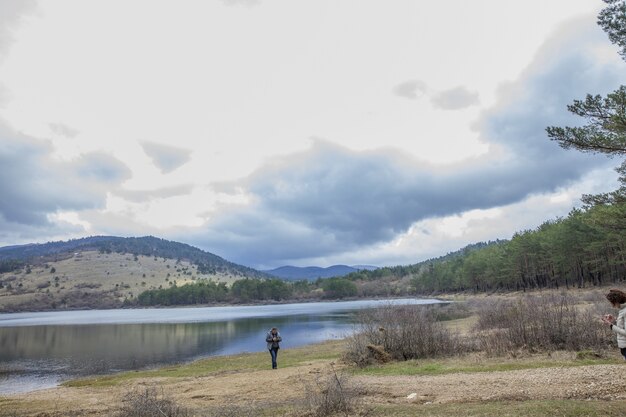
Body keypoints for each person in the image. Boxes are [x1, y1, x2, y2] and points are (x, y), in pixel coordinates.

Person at [601, 289, 626, 360]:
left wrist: (611, 325)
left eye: (612, 303)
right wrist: (614, 320)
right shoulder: (623, 310)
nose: (612, 305)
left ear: (617, 301)